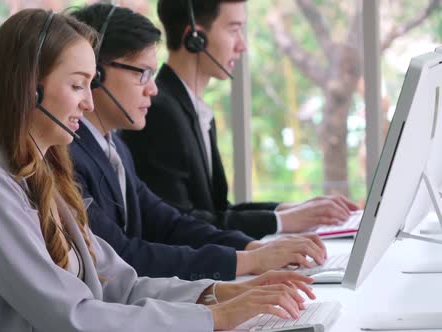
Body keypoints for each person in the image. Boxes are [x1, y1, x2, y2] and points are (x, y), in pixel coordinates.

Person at [0, 9, 317, 331]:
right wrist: (215, 318)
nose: (88, 104)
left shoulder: (42, 178)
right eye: (78, 86)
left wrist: (218, 294)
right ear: (31, 88)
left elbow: (120, 284)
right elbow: (72, 316)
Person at [69, 3, 327, 283]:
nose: (152, 89)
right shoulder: (69, 157)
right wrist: (249, 260)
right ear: (95, 74)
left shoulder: (117, 149)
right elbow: (125, 255)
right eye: (142, 73)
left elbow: (171, 224)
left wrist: (254, 248)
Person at [121, 0, 360, 240]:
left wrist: (294, 210)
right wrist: (283, 222)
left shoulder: (190, 108)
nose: (242, 45)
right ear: (195, 38)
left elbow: (216, 211)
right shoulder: (158, 112)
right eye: (234, 30)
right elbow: (180, 223)